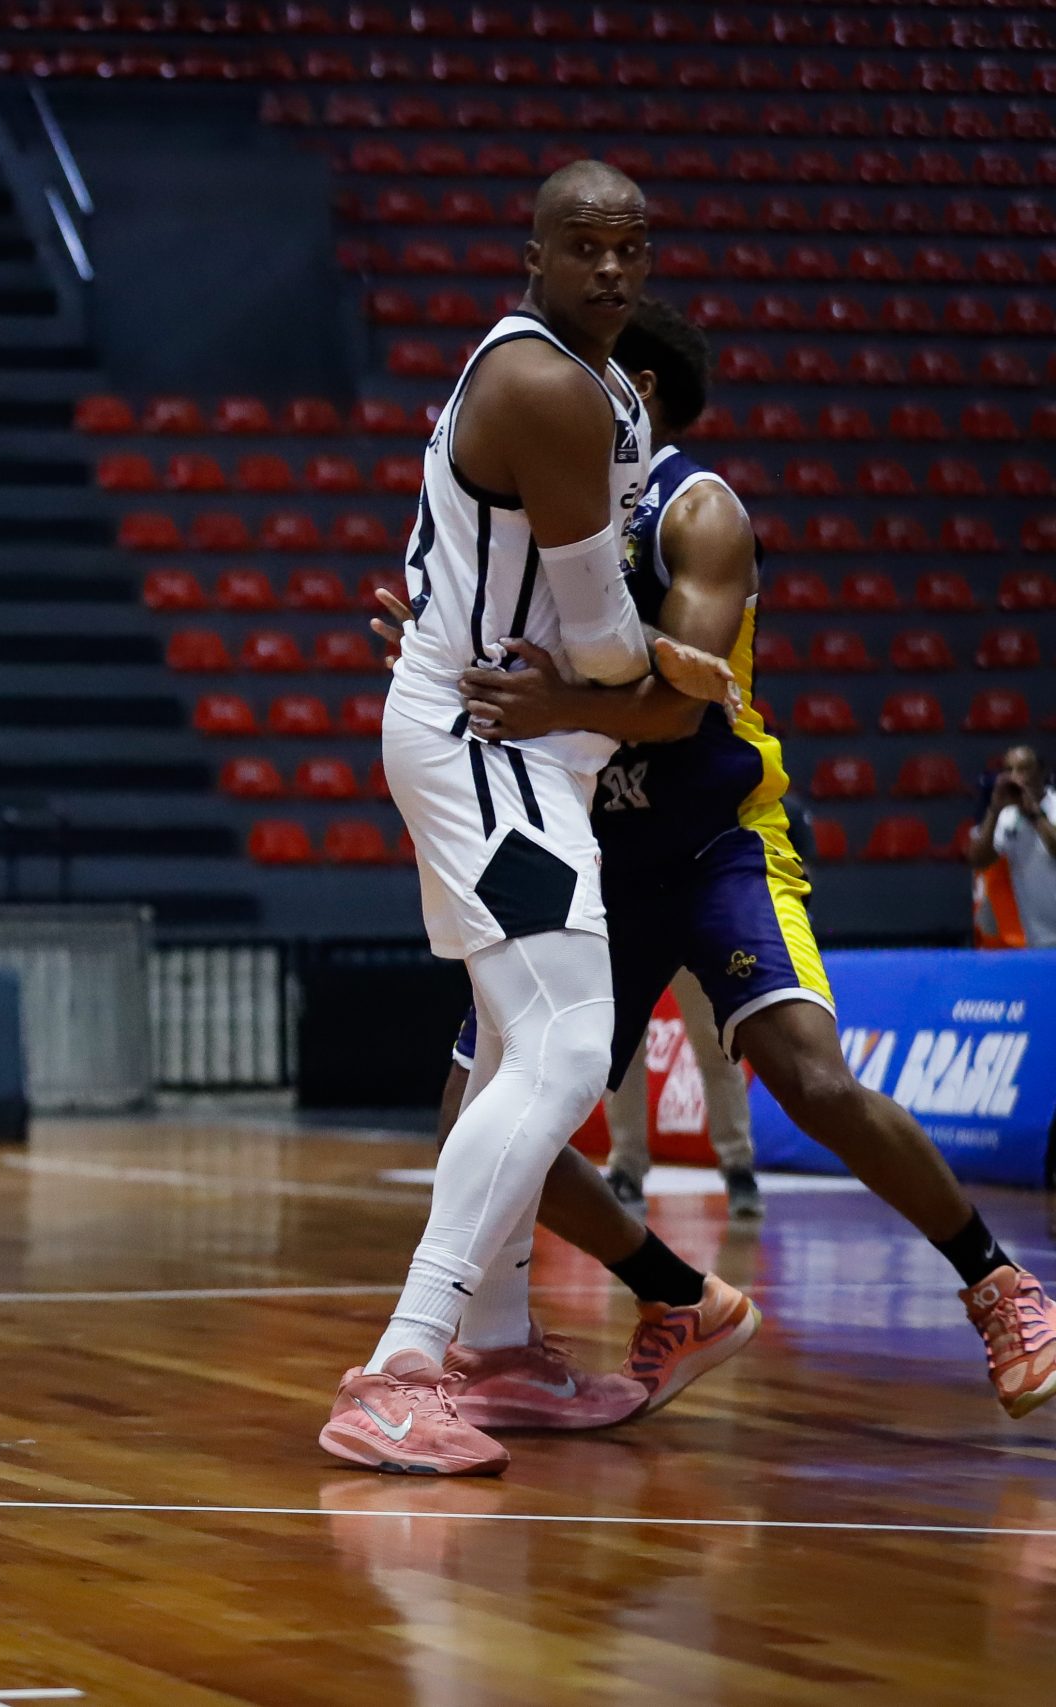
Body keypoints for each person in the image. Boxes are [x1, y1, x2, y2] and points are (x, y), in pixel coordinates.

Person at [438, 297, 1053, 1424]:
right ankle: (681, 1298)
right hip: (592, 850)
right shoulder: (551, 514)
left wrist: (555, 704)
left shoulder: (698, 509)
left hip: (717, 839)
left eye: (583, 367)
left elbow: (678, 710)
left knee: (811, 1078)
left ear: (637, 390)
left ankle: (999, 1284)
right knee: (473, 1121)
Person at [320, 163, 746, 1478]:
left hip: (507, 739)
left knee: (515, 1045)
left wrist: (618, 671)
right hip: (490, 743)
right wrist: (665, 670)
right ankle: (401, 1367)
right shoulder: (547, 384)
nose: (612, 268)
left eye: (632, 246)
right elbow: (607, 638)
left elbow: (565, 618)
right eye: (585, 246)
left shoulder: (596, 386)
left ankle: (498, 1352)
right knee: (564, 1050)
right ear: (535, 254)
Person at [600, 968, 759, 1219]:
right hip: (630, 944)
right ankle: (626, 1171)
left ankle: (739, 1168)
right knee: (623, 1049)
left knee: (717, 1044)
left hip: (691, 945)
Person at [967, 746, 1056, 946]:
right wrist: (994, 809)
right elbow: (978, 860)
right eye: (1009, 770)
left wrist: (1034, 813)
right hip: (1039, 941)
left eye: (1023, 769)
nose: (1015, 777)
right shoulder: (1007, 817)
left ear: (1041, 772)